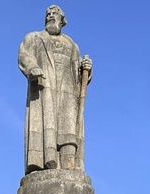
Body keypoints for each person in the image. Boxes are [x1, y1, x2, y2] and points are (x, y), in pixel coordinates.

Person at [18, 4, 92, 174]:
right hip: (45, 91)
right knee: (47, 130)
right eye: (48, 13)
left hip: (67, 95)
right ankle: (46, 163)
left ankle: (69, 166)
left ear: (62, 19)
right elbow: (24, 54)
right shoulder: (35, 37)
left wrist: (86, 69)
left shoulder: (72, 45)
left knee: (68, 131)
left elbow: (79, 75)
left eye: (54, 13)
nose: (50, 15)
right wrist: (32, 67)